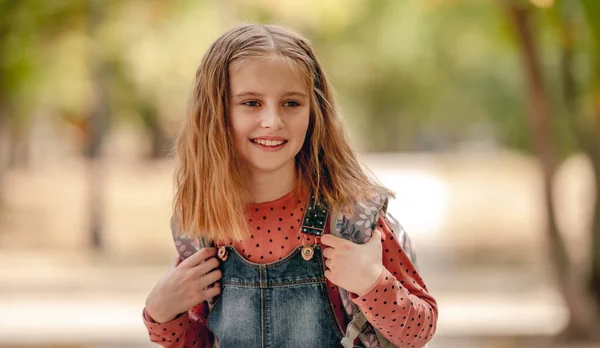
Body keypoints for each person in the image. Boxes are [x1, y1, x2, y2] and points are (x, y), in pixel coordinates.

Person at [143, 24, 438, 348]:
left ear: (315, 112)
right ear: (216, 112)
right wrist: (161, 312)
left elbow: (418, 333)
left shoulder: (352, 221)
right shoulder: (203, 228)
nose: (273, 120)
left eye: (292, 103)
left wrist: (371, 282)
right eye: (251, 103)